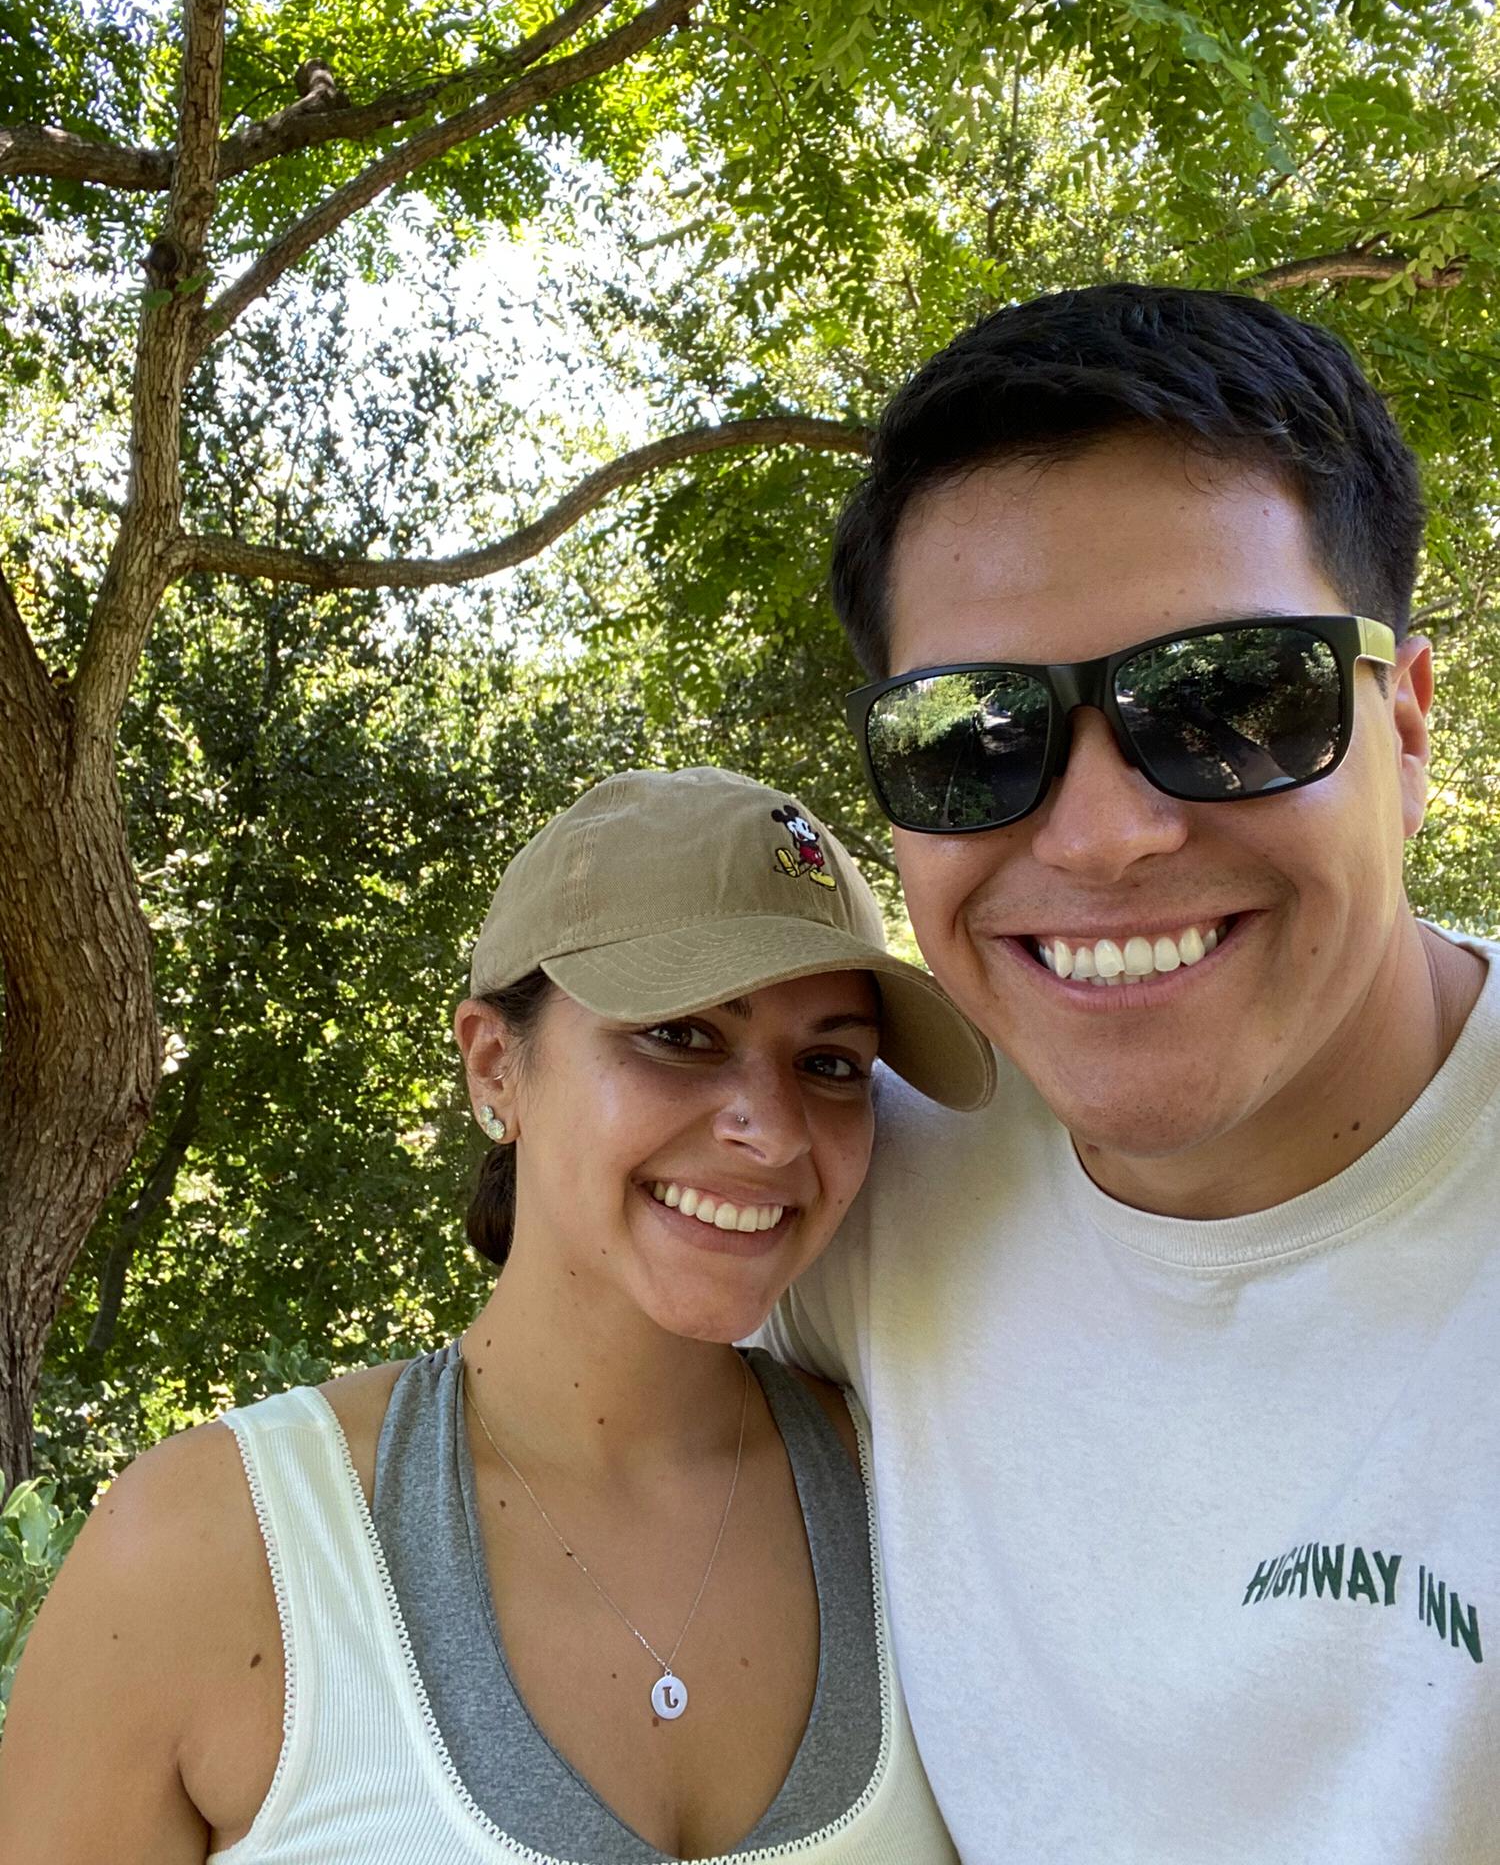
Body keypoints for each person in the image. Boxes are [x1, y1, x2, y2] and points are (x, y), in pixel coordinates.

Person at [764, 284, 1499, 1863]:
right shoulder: (865, 1177)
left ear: (1413, 728)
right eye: (973, 738)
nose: (1101, 837)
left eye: (1233, 700)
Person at [0, 766, 994, 1865]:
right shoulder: (209, 1546)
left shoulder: (925, 1498)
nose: (775, 1129)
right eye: (680, 1032)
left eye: (830, 1062)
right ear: (495, 1064)